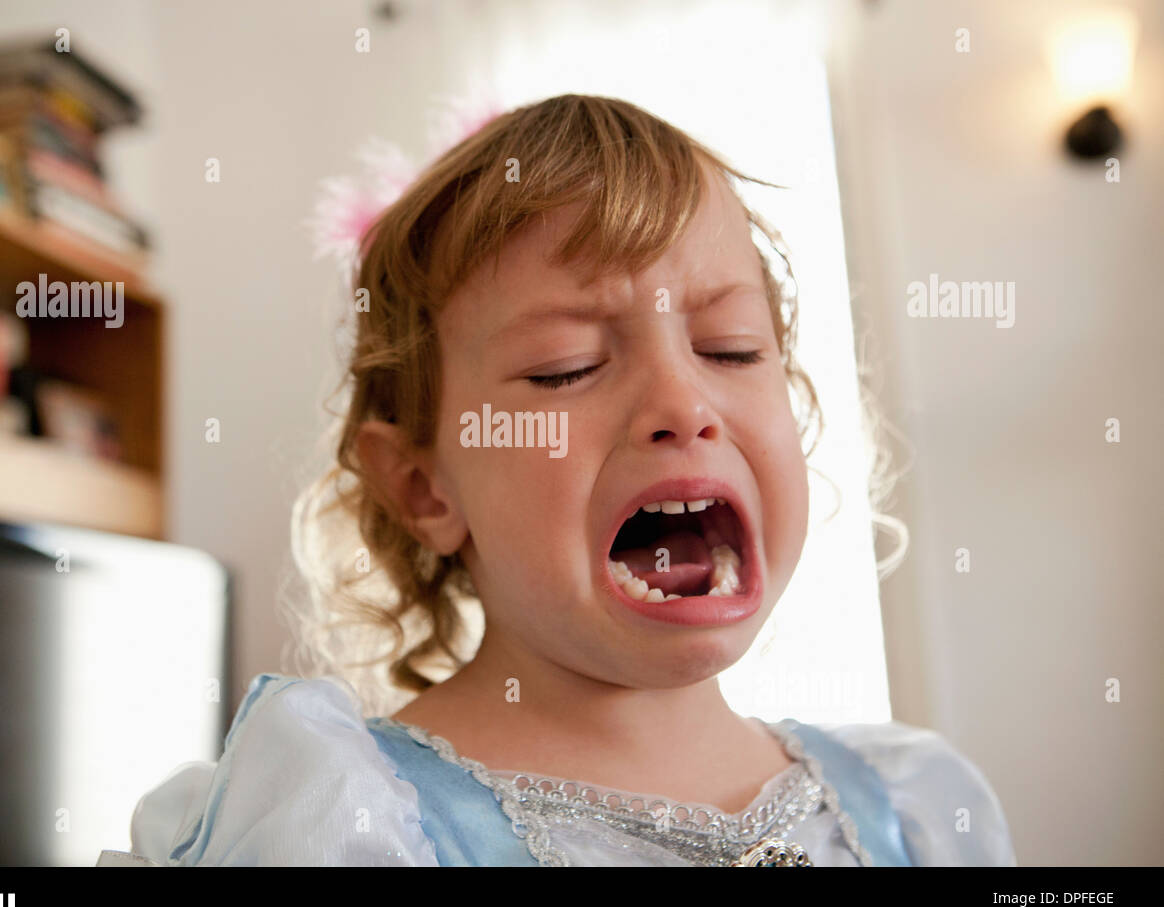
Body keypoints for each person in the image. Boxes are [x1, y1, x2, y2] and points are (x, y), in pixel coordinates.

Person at [98, 94, 1016, 867]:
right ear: (424, 488)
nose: (681, 402)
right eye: (567, 367)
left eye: (730, 349)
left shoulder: (912, 811)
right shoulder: (344, 822)